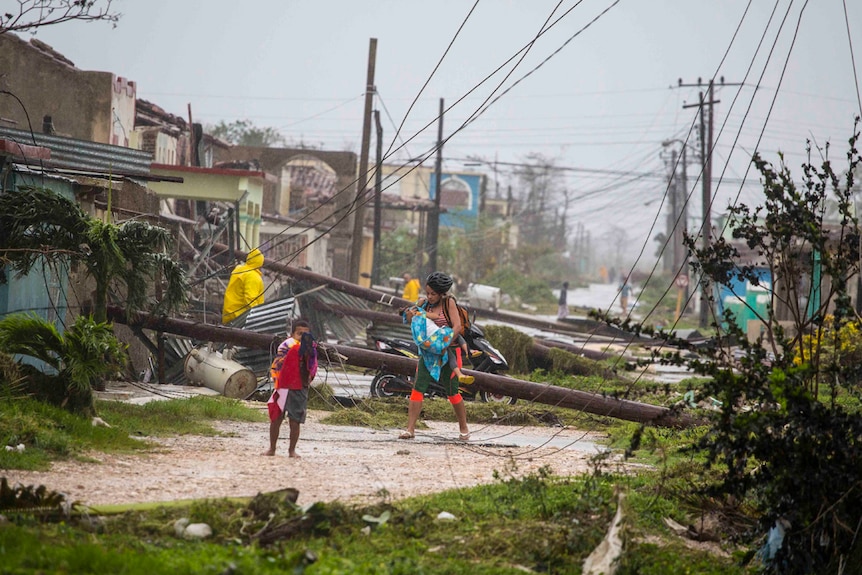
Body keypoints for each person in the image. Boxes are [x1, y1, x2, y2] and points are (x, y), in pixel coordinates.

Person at [399, 271, 471, 441]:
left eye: (433, 294)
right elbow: (412, 318)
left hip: (449, 352)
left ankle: (464, 428)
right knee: (418, 387)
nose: (429, 297)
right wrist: (409, 314)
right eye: (427, 293)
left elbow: (457, 327)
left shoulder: (449, 303)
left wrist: (443, 343)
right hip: (429, 353)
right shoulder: (425, 304)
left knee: (452, 391)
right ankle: (410, 429)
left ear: (442, 293)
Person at [264, 320, 316, 458]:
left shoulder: (310, 350)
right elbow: (278, 364)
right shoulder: (286, 346)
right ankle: (272, 448)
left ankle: (291, 450)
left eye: (306, 334)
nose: (302, 337)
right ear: (292, 334)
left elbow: (312, 367)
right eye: (299, 334)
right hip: (283, 386)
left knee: (295, 420)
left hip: (299, 388)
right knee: (276, 418)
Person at [222, 248, 265, 324]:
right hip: (240, 319)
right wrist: (259, 318)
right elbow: (251, 300)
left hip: (229, 314)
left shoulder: (238, 269)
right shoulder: (253, 276)